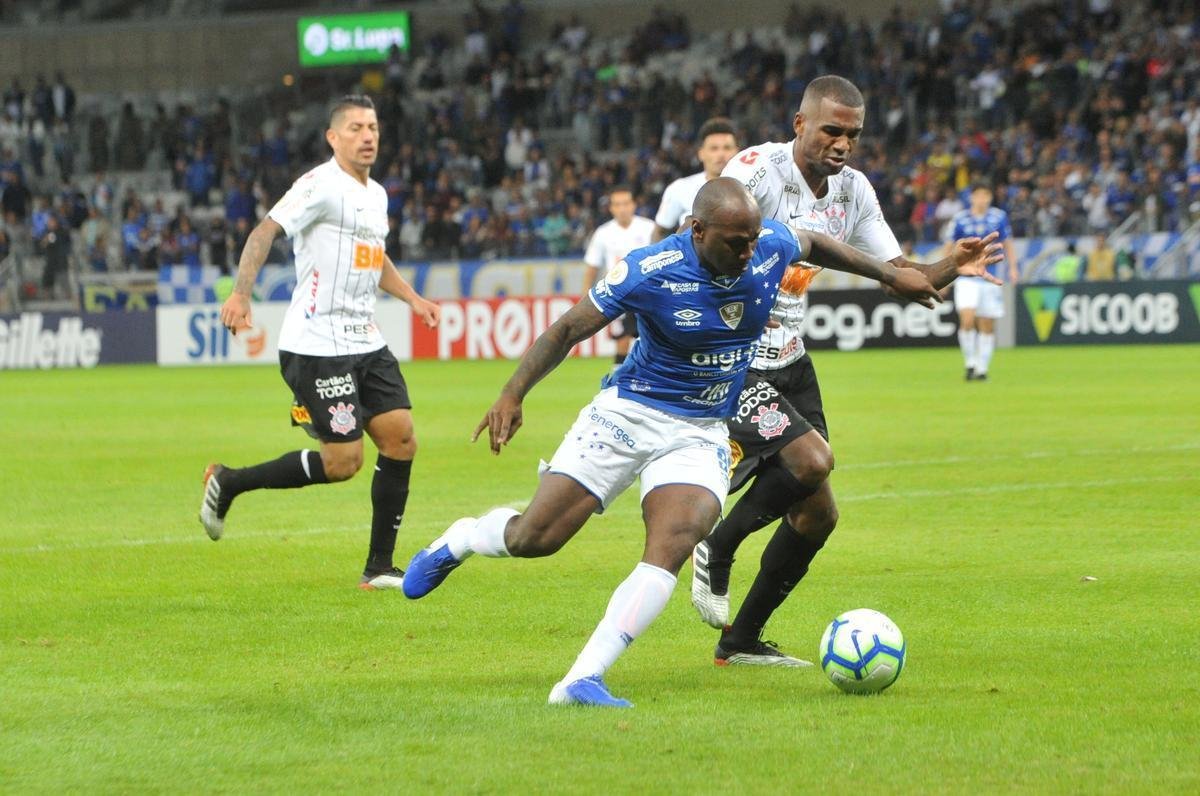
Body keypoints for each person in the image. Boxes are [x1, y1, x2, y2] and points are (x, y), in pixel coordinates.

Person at [400, 178, 942, 707]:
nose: (750, 252)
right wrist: (512, 393)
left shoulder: (767, 246)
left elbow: (817, 243)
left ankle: (582, 678)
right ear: (696, 230)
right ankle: (464, 538)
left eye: (754, 239)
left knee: (675, 540)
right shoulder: (649, 270)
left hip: (702, 428)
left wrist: (890, 276)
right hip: (629, 412)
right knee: (535, 538)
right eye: (736, 243)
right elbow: (567, 329)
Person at [691, 76, 1004, 666]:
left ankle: (740, 641)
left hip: (789, 359)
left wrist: (950, 267)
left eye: (853, 134)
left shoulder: (853, 191)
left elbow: (901, 272)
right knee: (814, 461)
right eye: (832, 130)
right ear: (800, 123)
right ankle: (718, 540)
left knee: (817, 513)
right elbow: (702, 244)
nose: (843, 144)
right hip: (732, 357)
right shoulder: (755, 171)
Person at [200, 95, 441, 591]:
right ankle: (229, 481)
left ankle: (378, 569)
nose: (368, 135)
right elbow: (265, 231)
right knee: (343, 463)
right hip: (316, 344)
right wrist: (241, 294)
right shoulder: (319, 185)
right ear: (334, 138)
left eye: (373, 126)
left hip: (365, 339)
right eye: (356, 127)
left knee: (401, 439)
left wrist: (413, 299)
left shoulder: (377, 195)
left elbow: (375, 258)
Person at [949, 183, 1018, 381]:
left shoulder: (999, 217)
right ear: (972, 198)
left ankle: (982, 368)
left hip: (990, 277)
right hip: (966, 278)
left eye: (986, 195)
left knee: (987, 325)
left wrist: (1013, 268)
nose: (982, 199)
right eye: (978, 195)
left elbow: (1008, 243)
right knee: (968, 319)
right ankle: (970, 363)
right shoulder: (960, 219)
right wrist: (946, 274)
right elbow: (949, 246)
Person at [581, 185, 656, 367]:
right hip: (618, 293)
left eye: (626, 203)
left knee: (651, 339)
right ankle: (617, 378)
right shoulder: (603, 233)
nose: (622, 209)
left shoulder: (649, 228)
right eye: (617, 204)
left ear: (633, 205)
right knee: (623, 339)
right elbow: (592, 267)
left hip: (649, 292)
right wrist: (585, 298)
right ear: (611, 208)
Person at [650, 118, 739, 241]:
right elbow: (659, 232)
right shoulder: (680, 188)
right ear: (701, 153)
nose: (721, 154)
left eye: (727, 148)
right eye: (714, 148)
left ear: (737, 152)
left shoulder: (755, 184)